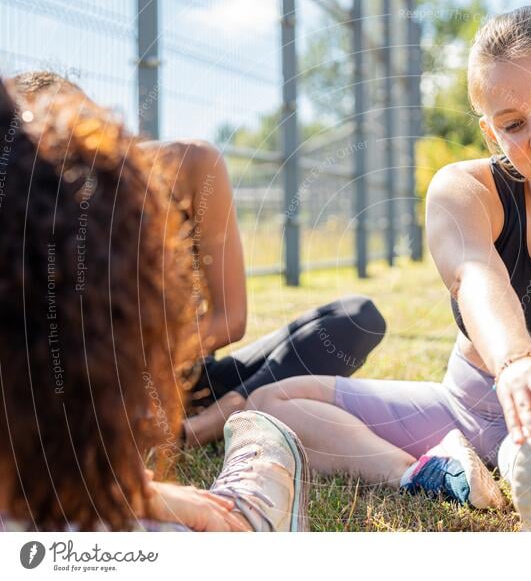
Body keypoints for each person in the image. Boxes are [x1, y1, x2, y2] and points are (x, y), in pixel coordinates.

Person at [243, 6, 531, 530]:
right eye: (513, 124)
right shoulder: (467, 189)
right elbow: (474, 273)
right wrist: (515, 363)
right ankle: (425, 473)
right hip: (466, 405)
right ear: (490, 132)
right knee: (274, 400)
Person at [9, 71, 388, 449]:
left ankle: (217, 418)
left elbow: (230, 319)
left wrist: (147, 365)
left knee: (357, 318)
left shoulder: (190, 165)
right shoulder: (27, 209)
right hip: (89, 390)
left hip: (181, 376)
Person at [0, 78, 307, 532]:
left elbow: (231, 320)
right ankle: (228, 435)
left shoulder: (172, 166)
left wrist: (140, 361)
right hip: (92, 387)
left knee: (349, 322)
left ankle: (226, 410)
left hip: (157, 369)